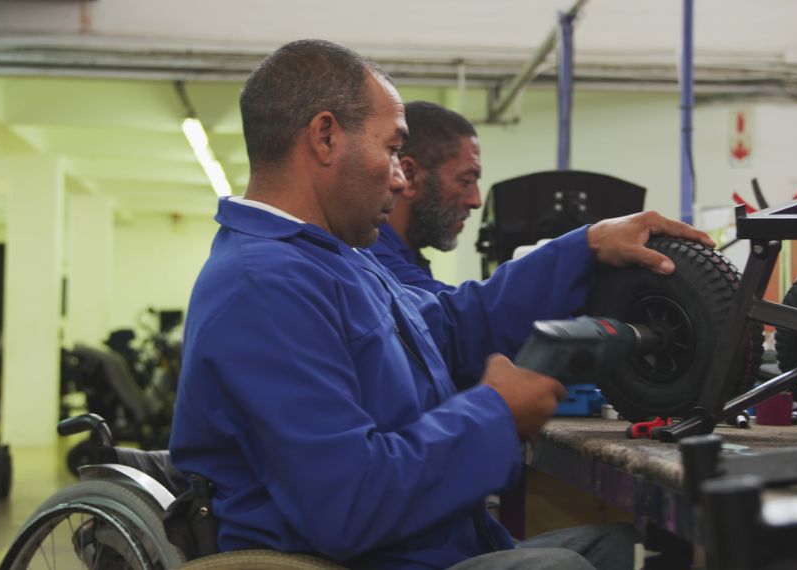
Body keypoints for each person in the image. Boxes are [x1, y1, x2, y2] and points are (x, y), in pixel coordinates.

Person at [170, 39, 713, 570]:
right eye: (390, 149)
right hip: (358, 557)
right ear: (326, 138)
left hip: (427, 544)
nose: (403, 177)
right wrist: (495, 414)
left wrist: (585, 246)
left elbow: (449, 328)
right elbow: (350, 503)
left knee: (630, 549)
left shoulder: (335, 260)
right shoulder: (265, 287)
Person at [368, 101, 481, 294]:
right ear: (409, 176)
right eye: (466, 181)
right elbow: (451, 318)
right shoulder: (373, 259)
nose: (476, 201)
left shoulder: (408, 258)